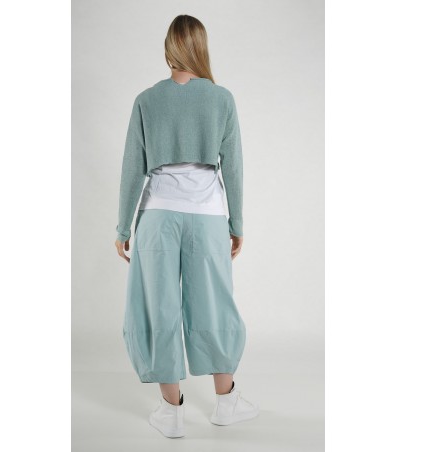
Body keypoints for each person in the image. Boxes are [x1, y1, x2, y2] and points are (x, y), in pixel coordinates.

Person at [114, 15, 259, 438]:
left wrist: (123, 228)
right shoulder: (221, 99)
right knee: (214, 304)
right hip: (209, 216)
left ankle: (171, 411)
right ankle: (226, 402)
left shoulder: (147, 100)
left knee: (157, 306)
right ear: (200, 48)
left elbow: (132, 168)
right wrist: (236, 223)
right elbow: (233, 167)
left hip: (157, 216)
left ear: (169, 49)